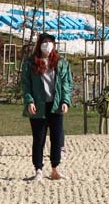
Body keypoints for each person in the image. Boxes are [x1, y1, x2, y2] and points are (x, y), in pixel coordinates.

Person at [20, 32, 73, 182]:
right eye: (44, 42)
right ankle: (38, 170)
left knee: (56, 139)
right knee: (39, 139)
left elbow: (67, 84)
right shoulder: (31, 63)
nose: (47, 45)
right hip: (38, 106)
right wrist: (29, 101)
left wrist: (65, 101)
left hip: (55, 106)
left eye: (50, 42)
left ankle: (55, 169)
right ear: (39, 44)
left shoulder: (61, 63)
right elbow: (26, 85)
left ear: (54, 45)